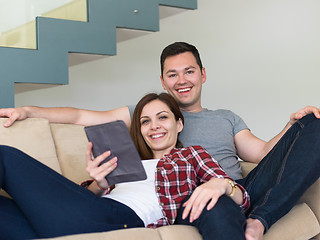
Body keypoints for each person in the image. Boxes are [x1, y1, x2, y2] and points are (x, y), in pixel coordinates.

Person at [0, 42, 319, 240]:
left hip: (222, 196)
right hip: (103, 208)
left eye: (189, 71)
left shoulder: (216, 128)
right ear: (163, 80)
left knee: (311, 123)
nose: (181, 80)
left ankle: (260, 219)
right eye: (172, 74)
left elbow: (264, 152)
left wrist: (291, 127)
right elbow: (81, 117)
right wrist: (28, 110)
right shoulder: (135, 137)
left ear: (202, 75)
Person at [0, 92, 250, 240]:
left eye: (163, 118)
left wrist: (221, 184)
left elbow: (242, 199)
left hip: (121, 219)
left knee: (5, 157)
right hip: (86, 213)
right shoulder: (125, 160)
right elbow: (73, 204)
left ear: (179, 124)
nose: (154, 126)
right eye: (145, 121)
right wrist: (99, 185)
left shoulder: (191, 155)